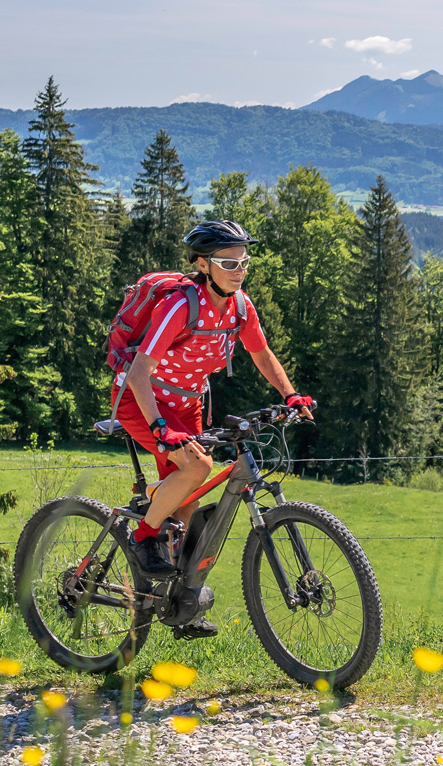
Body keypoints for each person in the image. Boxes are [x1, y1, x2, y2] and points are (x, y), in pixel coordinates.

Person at [115, 220, 313, 635]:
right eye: (228, 261)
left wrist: (290, 395)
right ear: (203, 265)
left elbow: (261, 354)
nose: (238, 269)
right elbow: (138, 373)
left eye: (244, 261)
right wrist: (159, 426)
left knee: (188, 502)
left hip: (186, 405)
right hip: (142, 400)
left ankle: (179, 602)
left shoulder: (241, 306)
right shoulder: (180, 306)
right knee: (198, 468)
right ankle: (143, 535)